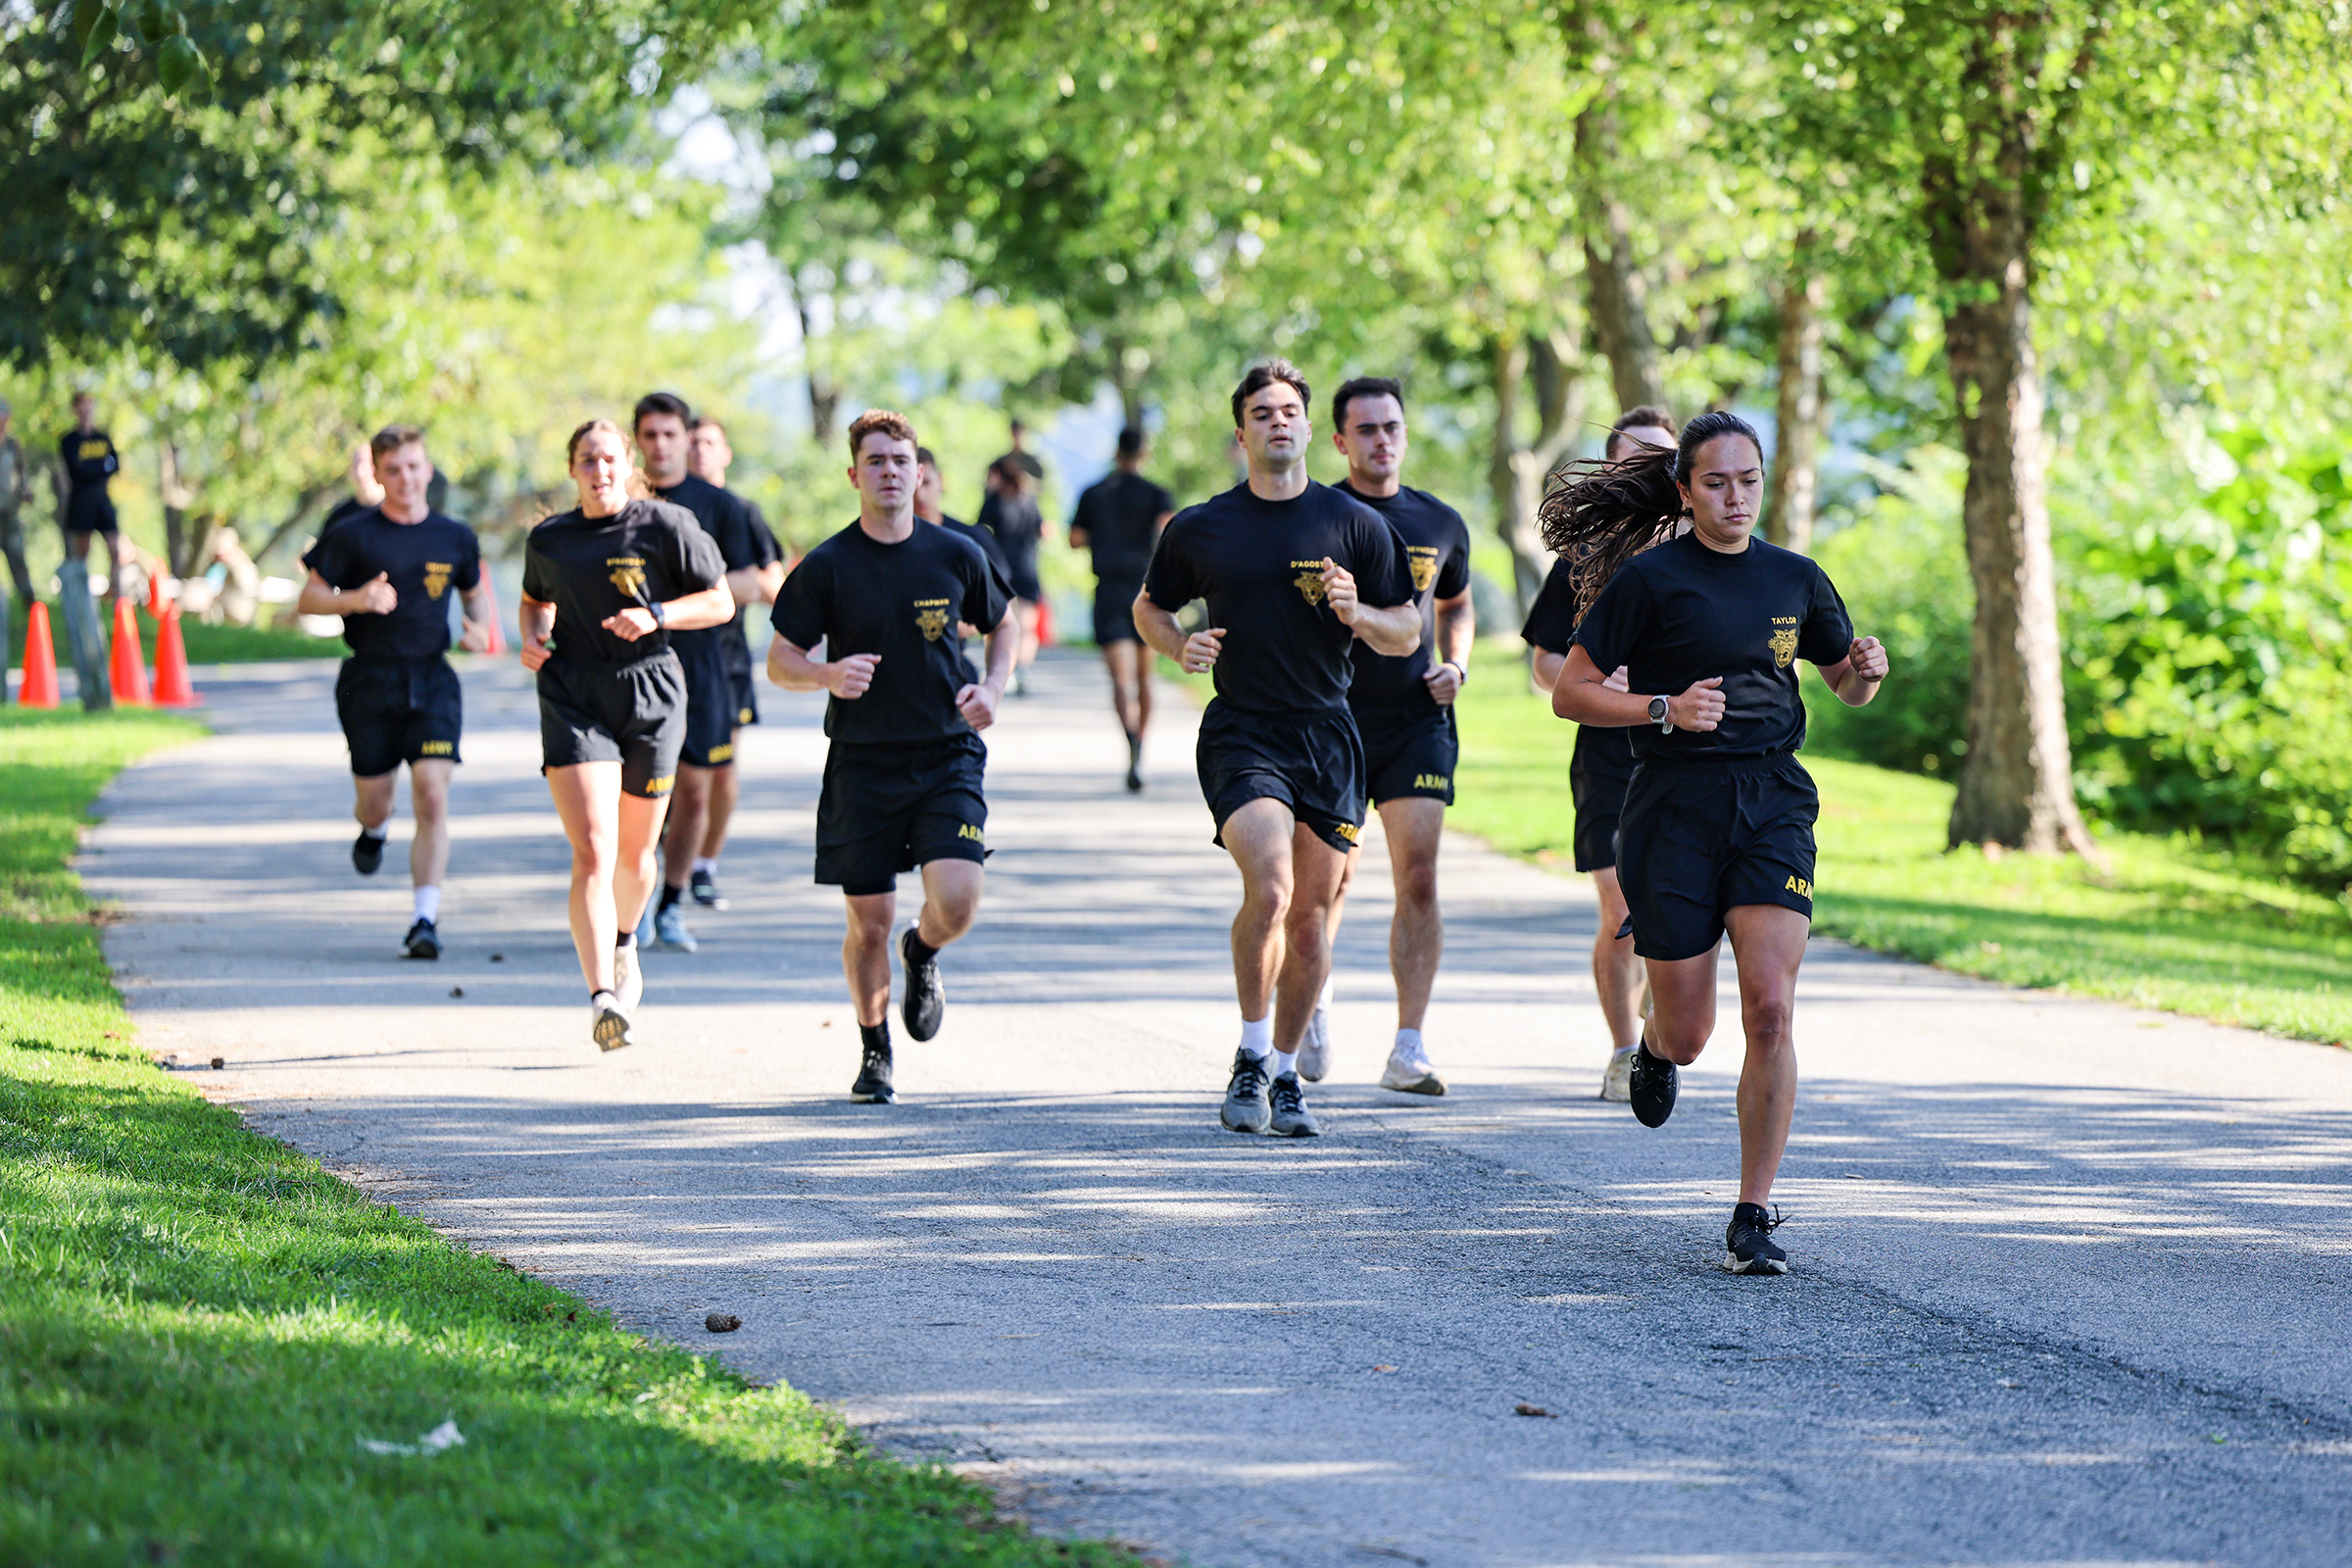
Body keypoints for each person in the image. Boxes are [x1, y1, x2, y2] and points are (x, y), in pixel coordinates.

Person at [1543, 409, 1890, 1275]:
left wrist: (1864, 673)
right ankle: (1654, 1049)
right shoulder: (1649, 583)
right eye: (1716, 482)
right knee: (1692, 1032)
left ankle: (1753, 1212)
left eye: (1749, 480)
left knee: (1770, 1005)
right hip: (1673, 808)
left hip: (1773, 800)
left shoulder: (1796, 579)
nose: (1736, 498)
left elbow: (1842, 681)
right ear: (1685, 489)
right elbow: (1572, 693)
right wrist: (1664, 708)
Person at [1135, 360, 1420, 1139]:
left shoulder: (1356, 526)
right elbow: (1149, 607)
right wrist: (1178, 645)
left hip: (1329, 734)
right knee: (1271, 886)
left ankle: (1288, 1072)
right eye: (1262, 413)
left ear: (1307, 427)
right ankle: (1251, 1054)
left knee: (1310, 922)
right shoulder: (1201, 526)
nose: (1278, 422)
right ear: (1242, 433)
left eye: (1289, 410)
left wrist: (1359, 611)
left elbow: (1407, 633)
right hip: (1243, 731)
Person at [768, 410, 1014, 1105]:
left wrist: (992, 686)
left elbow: (1005, 624)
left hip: (947, 753)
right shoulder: (827, 565)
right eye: (875, 461)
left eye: (901, 461)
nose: (890, 473)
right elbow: (780, 659)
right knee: (868, 920)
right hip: (862, 762)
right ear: (855, 474)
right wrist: (825, 673)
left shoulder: (956, 554)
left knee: (958, 901)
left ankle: (925, 949)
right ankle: (875, 1049)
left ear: (919, 472)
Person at [518, 419, 732, 1051]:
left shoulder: (666, 526)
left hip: (651, 691)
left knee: (636, 856)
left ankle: (623, 941)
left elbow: (719, 601)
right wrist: (533, 635)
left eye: (610, 459)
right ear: (572, 468)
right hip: (574, 693)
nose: (599, 470)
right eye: (587, 460)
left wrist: (656, 615)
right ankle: (601, 999)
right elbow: (535, 600)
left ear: (627, 463)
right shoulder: (551, 539)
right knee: (593, 846)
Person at [1304, 377, 1474, 1096]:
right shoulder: (1316, 520)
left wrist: (1457, 664)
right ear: (1341, 441)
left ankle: (1409, 1045)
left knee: (1422, 876)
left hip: (1416, 719)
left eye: (1392, 427)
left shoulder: (1440, 521)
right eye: (1366, 429)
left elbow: (1456, 603)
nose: (1382, 440)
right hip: (1332, 716)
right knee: (1330, 879)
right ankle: (1311, 1002)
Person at [1523, 406, 1680, 1102]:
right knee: (1621, 905)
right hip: (1610, 756)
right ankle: (1624, 1048)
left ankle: (1659, 1032)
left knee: (1674, 908)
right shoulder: (1584, 557)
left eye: (1666, 460)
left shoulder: (1706, 555)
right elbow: (1542, 664)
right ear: (1613, 467)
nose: (1653, 471)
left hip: (1687, 758)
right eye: (1637, 458)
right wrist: (1592, 682)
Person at [295, 426, 500, 959]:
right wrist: (357, 599)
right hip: (369, 681)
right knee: (374, 798)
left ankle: (424, 919)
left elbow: (475, 598)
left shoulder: (455, 536)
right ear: (379, 475)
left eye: (414, 466)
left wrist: (479, 630)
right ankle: (374, 828)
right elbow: (309, 599)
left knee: (432, 793)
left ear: (428, 470)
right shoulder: (353, 533)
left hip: (433, 680)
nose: (406, 478)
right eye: (393, 469)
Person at [633, 393, 784, 944]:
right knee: (643, 791)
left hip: (707, 662)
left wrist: (678, 600)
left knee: (696, 790)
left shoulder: (720, 506)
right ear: (638, 441)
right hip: (632, 666)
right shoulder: (622, 501)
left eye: (671, 434)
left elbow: (752, 583)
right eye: (649, 435)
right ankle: (637, 896)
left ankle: (672, 900)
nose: (662, 445)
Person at [684, 415, 787, 903]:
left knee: (720, 772)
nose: (699, 450)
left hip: (726, 658)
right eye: (692, 441)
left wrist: (702, 593)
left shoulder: (742, 512)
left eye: (709, 442)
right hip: (664, 655)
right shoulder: (657, 508)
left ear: (725, 452)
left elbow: (771, 585)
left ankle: (705, 863)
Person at [1067, 426, 1175, 792]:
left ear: (1116, 452)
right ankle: (1140, 747)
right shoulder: (1157, 494)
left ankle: (1130, 738)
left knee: (1119, 680)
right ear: (1142, 453)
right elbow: (1169, 533)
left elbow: (1074, 539)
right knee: (1145, 677)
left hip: (1110, 591)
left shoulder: (1094, 493)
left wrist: (1103, 535)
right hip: (1147, 590)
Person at [976, 456, 1046, 691]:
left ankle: (1004, 668)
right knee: (1026, 624)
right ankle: (1023, 669)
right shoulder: (1029, 501)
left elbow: (980, 532)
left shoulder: (994, 502)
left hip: (1000, 568)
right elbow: (1041, 530)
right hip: (1027, 566)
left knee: (1003, 622)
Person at [58, 393, 123, 610]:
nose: (86, 410)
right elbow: (77, 471)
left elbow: (115, 465)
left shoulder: (103, 439)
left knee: (115, 548)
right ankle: (81, 600)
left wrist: (96, 469)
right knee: (82, 552)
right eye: (81, 405)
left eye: (89, 405)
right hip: (81, 502)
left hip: (102, 501)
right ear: (75, 409)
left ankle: (118, 598)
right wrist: (101, 468)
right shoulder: (70, 441)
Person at [0, 399, 33, 608]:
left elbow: (23, 473)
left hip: (9, 514)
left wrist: (26, 490)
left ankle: (29, 605)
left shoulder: (13, 446)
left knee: (17, 558)